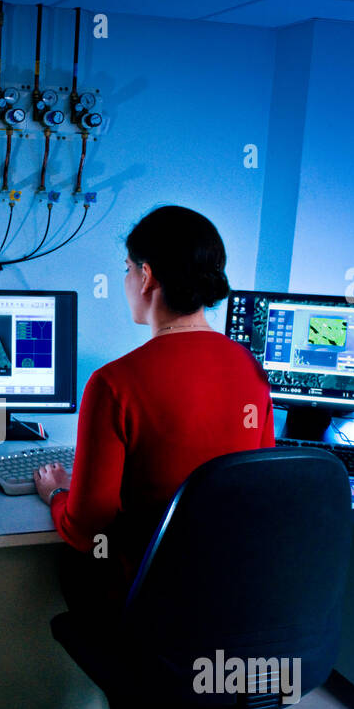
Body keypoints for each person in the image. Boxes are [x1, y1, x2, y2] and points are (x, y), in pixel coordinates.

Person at [33, 204, 275, 619]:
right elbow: (263, 489)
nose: (126, 281)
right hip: (229, 603)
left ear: (146, 277)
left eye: (127, 269)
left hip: (146, 603)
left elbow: (86, 530)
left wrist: (56, 492)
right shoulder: (251, 369)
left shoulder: (114, 383)